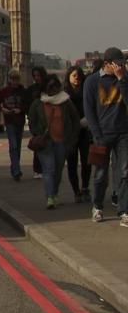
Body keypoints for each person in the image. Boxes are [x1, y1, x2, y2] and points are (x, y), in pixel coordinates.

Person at [83, 47, 128, 225]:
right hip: (102, 134)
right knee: (101, 174)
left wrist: (122, 80)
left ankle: (124, 210)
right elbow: (89, 110)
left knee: (125, 173)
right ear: (107, 63)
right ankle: (98, 206)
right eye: (118, 64)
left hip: (123, 133)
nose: (121, 67)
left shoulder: (124, 79)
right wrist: (97, 134)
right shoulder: (92, 82)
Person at [27, 75, 79, 210]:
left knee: (58, 170)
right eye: (50, 87)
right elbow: (32, 120)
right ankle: (50, 197)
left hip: (62, 141)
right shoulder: (38, 103)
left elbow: (75, 120)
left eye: (55, 87)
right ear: (45, 88)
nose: (53, 90)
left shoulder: (65, 101)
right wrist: (38, 132)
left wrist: (72, 139)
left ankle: (54, 193)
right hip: (45, 143)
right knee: (49, 169)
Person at [0, 70, 28, 181]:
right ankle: (17, 171)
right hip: (9, 122)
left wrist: (20, 109)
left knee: (17, 147)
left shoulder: (23, 91)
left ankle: (14, 169)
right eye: (12, 79)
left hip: (20, 122)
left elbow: (28, 104)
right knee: (13, 145)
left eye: (16, 79)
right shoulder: (4, 91)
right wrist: (2, 109)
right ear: (10, 79)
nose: (14, 81)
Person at [63, 65, 92, 202]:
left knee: (87, 161)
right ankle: (76, 191)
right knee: (72, 162)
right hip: (70, 133)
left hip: (85, 131)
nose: (77, 79)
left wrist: (87, 120)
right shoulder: (64, 94)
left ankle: (85, 187)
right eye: (74, 76)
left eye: (79, 76)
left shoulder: (86, 90)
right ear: (68, 77)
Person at [25, 66, 48, 179]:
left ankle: (45, 167)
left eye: (39, 75)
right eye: (35, 76)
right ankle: (37, 169)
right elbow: (27, 104)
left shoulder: (48, 87)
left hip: (47, 121)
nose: (37, 78)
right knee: (38, 145)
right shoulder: (31, 89)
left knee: (47, 146)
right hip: (36, 121)